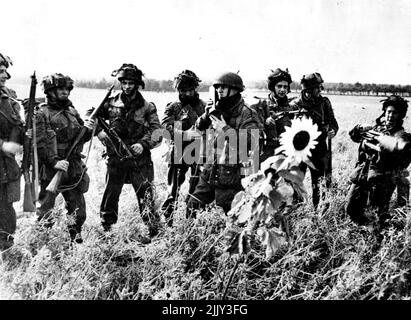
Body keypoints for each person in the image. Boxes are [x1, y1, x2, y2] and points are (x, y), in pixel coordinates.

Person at [96, 63, 162, 240]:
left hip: (139, 159)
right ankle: (107, 230)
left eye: (130, 83)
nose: (126, 87)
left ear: (137, 84)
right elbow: (91, 115)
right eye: (123, 83)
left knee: (145, 196)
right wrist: (99, 132)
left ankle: (153, 232)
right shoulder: (110, 103)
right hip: (116, 157)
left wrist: (143, 144)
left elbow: (157, 132)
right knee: (111, 194)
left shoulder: (147, 107)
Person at [32, 73, 95, 244]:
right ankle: (41, 247)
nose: (65, 92)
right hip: (51, 167)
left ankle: (75, 239)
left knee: (78, 211)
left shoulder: (72, 111)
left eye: (67, 89)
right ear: (50, 91)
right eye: (61, 88)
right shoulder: (41, 113)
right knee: (45, 212)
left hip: (72, 166)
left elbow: (81, 138)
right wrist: (53, 162)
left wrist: (87, 130)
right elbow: (38, 144)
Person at [186, 72, 260, 216]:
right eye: (218, 87)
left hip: (232, 174)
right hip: (210, 169)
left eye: (224, 87)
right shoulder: (216, 108)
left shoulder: (247, 113)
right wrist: (206, 117)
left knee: (231, 215)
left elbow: (251, 142)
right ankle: (191, 237)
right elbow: (195, 130)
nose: (219, 90)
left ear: (235, 90)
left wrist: (226, 130)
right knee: (193, 205)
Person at [346, 95, 411, 230]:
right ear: (384, 112)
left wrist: (383, 140)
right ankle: (364, 231)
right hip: (363, 175)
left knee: (376, 214)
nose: (390, 116)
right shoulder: (376, 128)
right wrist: (360, 128)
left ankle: (378, 240)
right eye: (388, 112)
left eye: (395, 113)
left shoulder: (400, 134)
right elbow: (354, 136)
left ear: (401, 116)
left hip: (382, 181)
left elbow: (402, 145)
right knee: (351, 208)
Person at [160, 70, 206, 226]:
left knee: (196, 189)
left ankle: (192, 223)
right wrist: (186, 134)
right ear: (178, 90)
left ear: (195, 89)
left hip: (199, 152)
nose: (187, 93)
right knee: (172, 190)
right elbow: (165, 129)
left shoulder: (204, 107)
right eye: (183, 90)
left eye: (190, 90)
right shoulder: (173, 107)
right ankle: (168, 222)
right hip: (178, 152)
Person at [290, 72, 339, 208]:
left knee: (319, 183)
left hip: (319, 150)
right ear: (308, 90)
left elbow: (333, 122)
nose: (321, 90)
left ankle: (318, 210)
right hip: (300, 151)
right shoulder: (295, 105)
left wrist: (332, 131)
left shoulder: (324, 103)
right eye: (318, 87)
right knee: (296, 182)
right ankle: (296, 209)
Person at [0, 53, 24, 251]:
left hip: (6, 166)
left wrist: (27, 132)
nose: (5, 75)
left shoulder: (10, 98)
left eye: (5, 71)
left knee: (6, 210)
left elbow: (16, 129)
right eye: (0, 71)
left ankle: (6, 250)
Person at [250, 68, 298, 163]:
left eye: (285, 87)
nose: (282, 90)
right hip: (265, 154)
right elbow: (253, 131)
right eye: (279, 86)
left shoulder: (292, 107)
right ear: (272, 87)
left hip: (285, 154)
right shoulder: (261, 106)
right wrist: (265, 123)